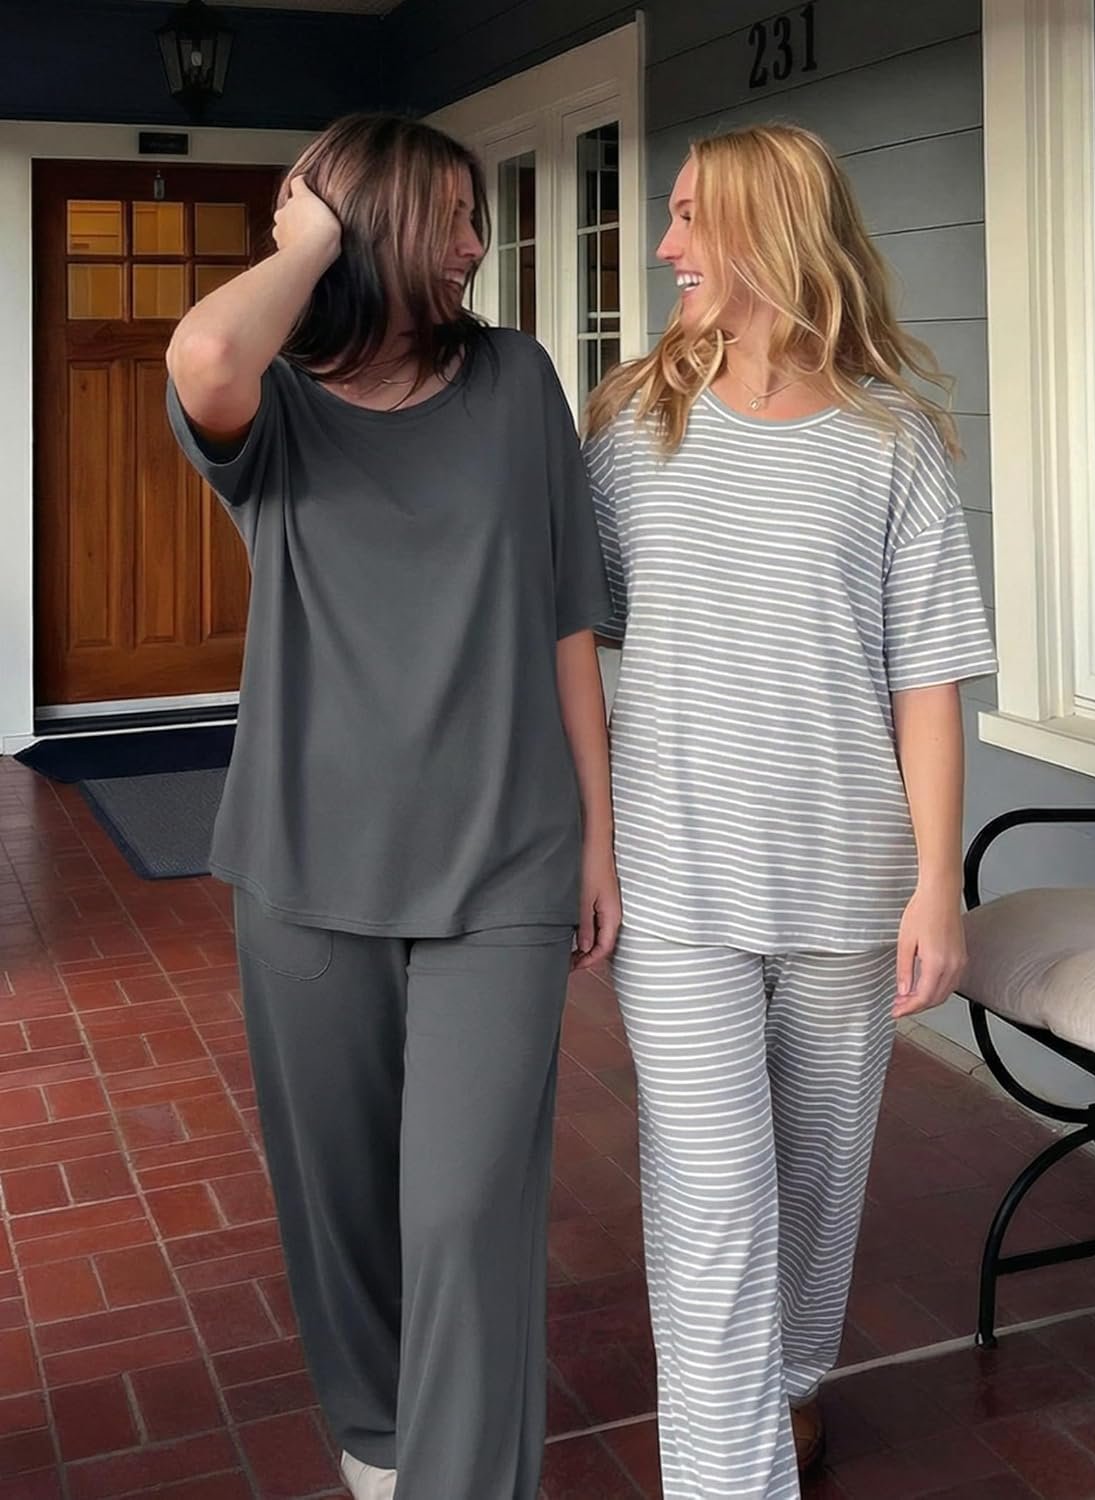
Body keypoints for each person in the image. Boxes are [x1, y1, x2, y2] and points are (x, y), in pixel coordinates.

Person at [165, 113, 620, 1500]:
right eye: (452, 217)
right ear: (370, 229)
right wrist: (309, 238)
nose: (477, 243)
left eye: (477, 216)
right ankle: (376, 1445)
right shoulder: (274, 410)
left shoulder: (517, 379)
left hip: (504, 860)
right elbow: (205, 352)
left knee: (468, 1211)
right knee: (344, 1207)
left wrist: (597, 836)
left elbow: (567, 616)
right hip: (306, 864)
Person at [583, 124, 996, 1499]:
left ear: (769, 228)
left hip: (844, 883)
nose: (665, 247)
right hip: (676, 885)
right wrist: (584, 840)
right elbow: (571, 644)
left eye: (689, 216)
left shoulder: (889, 443)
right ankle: (729, 1474)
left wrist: (936, 882)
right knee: (711, 1197)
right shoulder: (631, 429)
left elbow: (927, 681)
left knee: (816, 1181)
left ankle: (792, 1387)